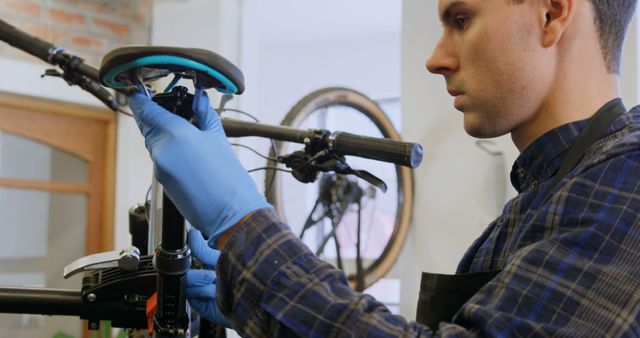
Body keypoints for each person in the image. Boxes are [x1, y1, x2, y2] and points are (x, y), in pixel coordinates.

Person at [129, 0, 640, 336]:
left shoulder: (629, 183)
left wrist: (242, 226)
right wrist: (247, 296)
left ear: (551, 13)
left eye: (461, 19)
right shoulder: (540, 200)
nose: (435, 59)